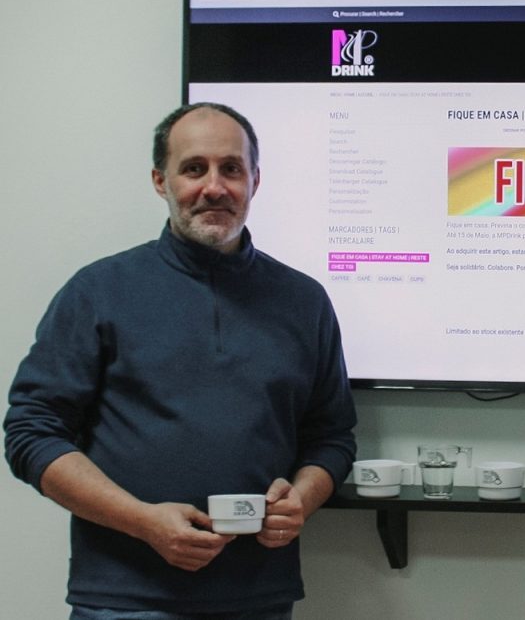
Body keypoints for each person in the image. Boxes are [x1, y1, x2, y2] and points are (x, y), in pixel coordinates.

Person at [4, 103, 358, 619]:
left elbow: (332, 437)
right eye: (194, 168)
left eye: (231, 168)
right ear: (160, 181)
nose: (214, 187)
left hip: (259, 598)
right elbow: (31, 433)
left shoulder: (304, 301)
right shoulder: (98, 291)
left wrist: (301, 499)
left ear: (255, 181)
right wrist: (142, 522)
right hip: (124, 600)